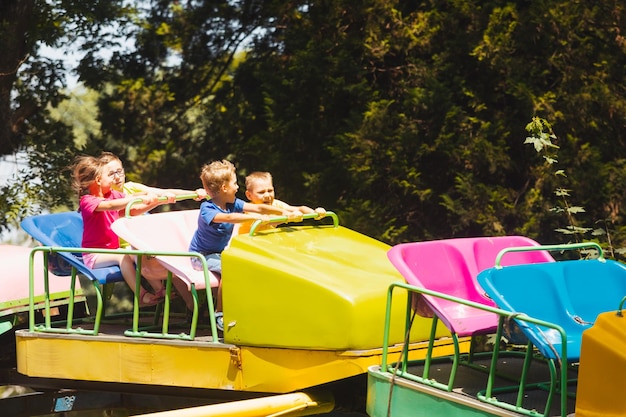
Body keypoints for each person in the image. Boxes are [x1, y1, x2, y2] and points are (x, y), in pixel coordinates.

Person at [189, 160, 300, 331]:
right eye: (235, 183)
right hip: (201, 256)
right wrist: (252, 218)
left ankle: (251, 309)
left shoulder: (233, 203)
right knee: (231, 268)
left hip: (219, 253)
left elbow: (260, 209)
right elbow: (228, 218)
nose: (237, 187)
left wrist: (286, 213)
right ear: (225, 188)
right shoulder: (207, 208)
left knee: (247, 266)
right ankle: (220, 313)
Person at [97, 151, 205, 309]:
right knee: (149, 254)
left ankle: (193, 306)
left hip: (140, 243)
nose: (117, 177)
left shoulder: (131, 188)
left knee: (171, 257)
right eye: (111, 173)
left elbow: (163, 192)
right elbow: (133, 209)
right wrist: (153, 200)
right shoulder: (106, 199)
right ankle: (158, 290)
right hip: (122, 246)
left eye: (119, 171)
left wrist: (194, 194)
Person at [71, 154, 176, 306]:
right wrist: (139, 198)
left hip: (113, 251)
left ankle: (160, 290)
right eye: (109, 175)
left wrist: (158, 199)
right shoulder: (88, 201)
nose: (114, 179)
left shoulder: (112, 195)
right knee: (123, 257)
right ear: (99, 180)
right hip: (94, 255)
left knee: (139, 251)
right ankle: (141, 296)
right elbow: (112, 206)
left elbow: (134, 204)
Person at [238, 171, 326, 235]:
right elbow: (269, 221)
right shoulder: (250, 209)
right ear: (249, 195)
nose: (267, 195)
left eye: (270, 190)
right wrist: (288, 218)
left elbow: (299, 208)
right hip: (247, 245)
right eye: (261, 192)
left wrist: (315, 213)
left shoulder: (276, 204)